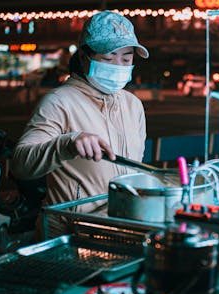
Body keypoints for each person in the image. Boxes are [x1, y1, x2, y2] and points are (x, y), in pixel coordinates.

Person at [11, 11, 149, 238]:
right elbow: (20, 164)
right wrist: (68, 143)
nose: (118, 65)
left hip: (121, 229)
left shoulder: (133, 105)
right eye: (108, 58)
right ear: (85, 57)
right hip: (70, 234)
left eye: (126, 58)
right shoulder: (59, 101)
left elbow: (134, 170)